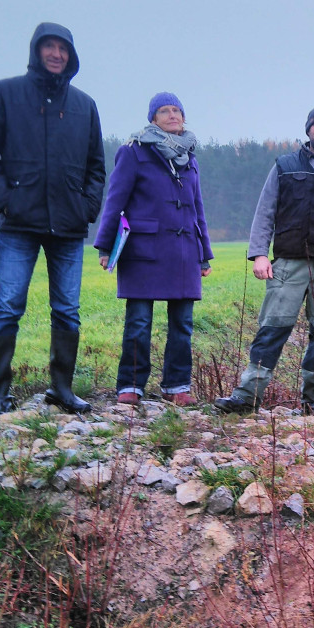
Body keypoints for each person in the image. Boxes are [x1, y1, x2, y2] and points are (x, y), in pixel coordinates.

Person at [0, 23, 106, 416]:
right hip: (19, 224)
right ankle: (0, 395)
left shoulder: (85, 104)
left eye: (63, 48)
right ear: (36, 51)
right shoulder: (5, 93)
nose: (56, 54)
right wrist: (6, 201)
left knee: (67, 308)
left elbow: (96, 167)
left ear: (71, 55)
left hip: (68, 226)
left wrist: (87, 208)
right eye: (48, 47)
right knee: (7, 306)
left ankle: (61, 389)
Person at [214, 105, 314, 416]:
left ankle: (313, 398)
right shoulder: (284, 166)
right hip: (288, 265)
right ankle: (247, 395)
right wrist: (259, 253)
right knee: (272, 329)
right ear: (309, 130)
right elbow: (265, 212)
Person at [94, 93, 214, 406]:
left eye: (177, 110)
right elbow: (115, 200)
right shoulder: (133, 152)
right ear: (153, 119)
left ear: (184, 117)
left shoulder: (190, 156)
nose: (172, 115)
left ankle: (177, 387)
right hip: (143, 250)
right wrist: (105, 245)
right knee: (138, 322)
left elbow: (196, 208)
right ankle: (130, 386)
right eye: (164, 111)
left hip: (185, 250)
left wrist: (204, 253)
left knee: (182, 324)